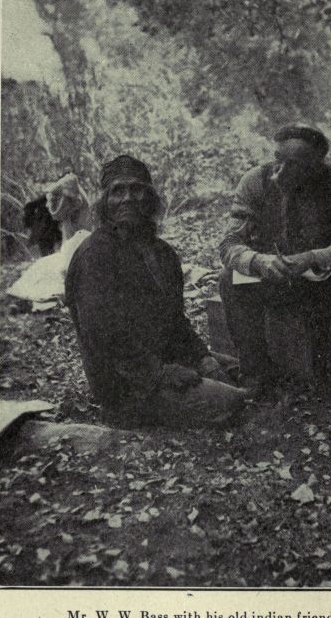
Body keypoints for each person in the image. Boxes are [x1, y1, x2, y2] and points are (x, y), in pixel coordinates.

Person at [65, 155, 246, 429]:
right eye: (118, 191)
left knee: (247, 374)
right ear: (105, 202)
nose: (128, 198)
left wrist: (202, 357)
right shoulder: (95, 255)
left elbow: (176, 322)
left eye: (136, 189)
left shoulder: (163, 254)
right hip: (127, 384)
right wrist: (159, 374)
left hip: (167, 361)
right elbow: (102, 335)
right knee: (232, 402)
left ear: (149, 198)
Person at [219, 125, 331, 400]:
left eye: (293, 165)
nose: (280, 171)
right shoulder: (255, 181)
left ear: (317, 164)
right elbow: (229, 244)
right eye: (278, 159)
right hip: (273, 278)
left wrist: (314, 258)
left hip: (322, 281)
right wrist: (259, 261)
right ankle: (255, 374)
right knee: (229, 279)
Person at [7, 173, 91, 305]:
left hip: (76, 241)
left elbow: (69, 223)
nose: (48, 204)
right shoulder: (70, 206)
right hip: (64, 238)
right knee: (49, 263)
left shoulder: (76, 205)